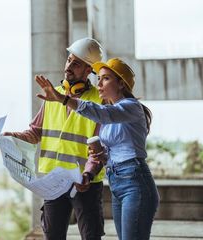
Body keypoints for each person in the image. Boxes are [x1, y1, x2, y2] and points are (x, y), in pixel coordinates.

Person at [35, 58, 160, 240]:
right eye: (99, 78)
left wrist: (62, 98)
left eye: (106, 78)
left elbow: (100, 113)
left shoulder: (130, 107)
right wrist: (89, 172)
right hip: (117, 182)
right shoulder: (112, 113)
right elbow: (108, 153)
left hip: (135, 180)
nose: (99, 83)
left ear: (121, 84)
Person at [3, 38, 105, 240]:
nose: (69, 67)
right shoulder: (52, 96)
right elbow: (35, 132)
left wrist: (88, 174)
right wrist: (13, 137)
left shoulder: (99, 102)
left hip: (85, 182)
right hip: (53, 181)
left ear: (88, 71)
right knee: (52, 236)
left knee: (91, 236)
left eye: (76, 63)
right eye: (69, 60)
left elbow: (101, 148)